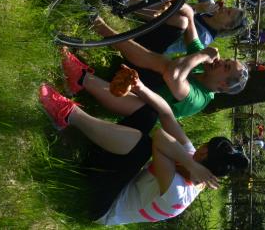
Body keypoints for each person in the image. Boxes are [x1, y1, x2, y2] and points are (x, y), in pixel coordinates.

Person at [38, 74, 248, 224]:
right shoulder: (191, 157)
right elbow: (166, 115)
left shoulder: (179, 194)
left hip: (98, 204)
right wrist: (140, 87)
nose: (199, 149)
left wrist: (188, 162)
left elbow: (159, 137)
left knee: (143, 147)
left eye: (203, 151)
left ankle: (67, 114)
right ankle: (82, 78)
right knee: (149, 113)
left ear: (204, 158)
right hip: (111, 178)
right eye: (204, 146)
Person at [91, 6, 249, 118]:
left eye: (226, 67)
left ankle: (98, 25)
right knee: (180, 22)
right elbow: (192, 37)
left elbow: (173, 75)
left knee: (166, 65)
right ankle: (124, 3)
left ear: (223, 84)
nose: (220, 61)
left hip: (132, 95)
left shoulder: (199, 99)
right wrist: (189, 12)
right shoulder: (206, 69)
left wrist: (202, 55)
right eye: (226, 60)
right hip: (141, 68)